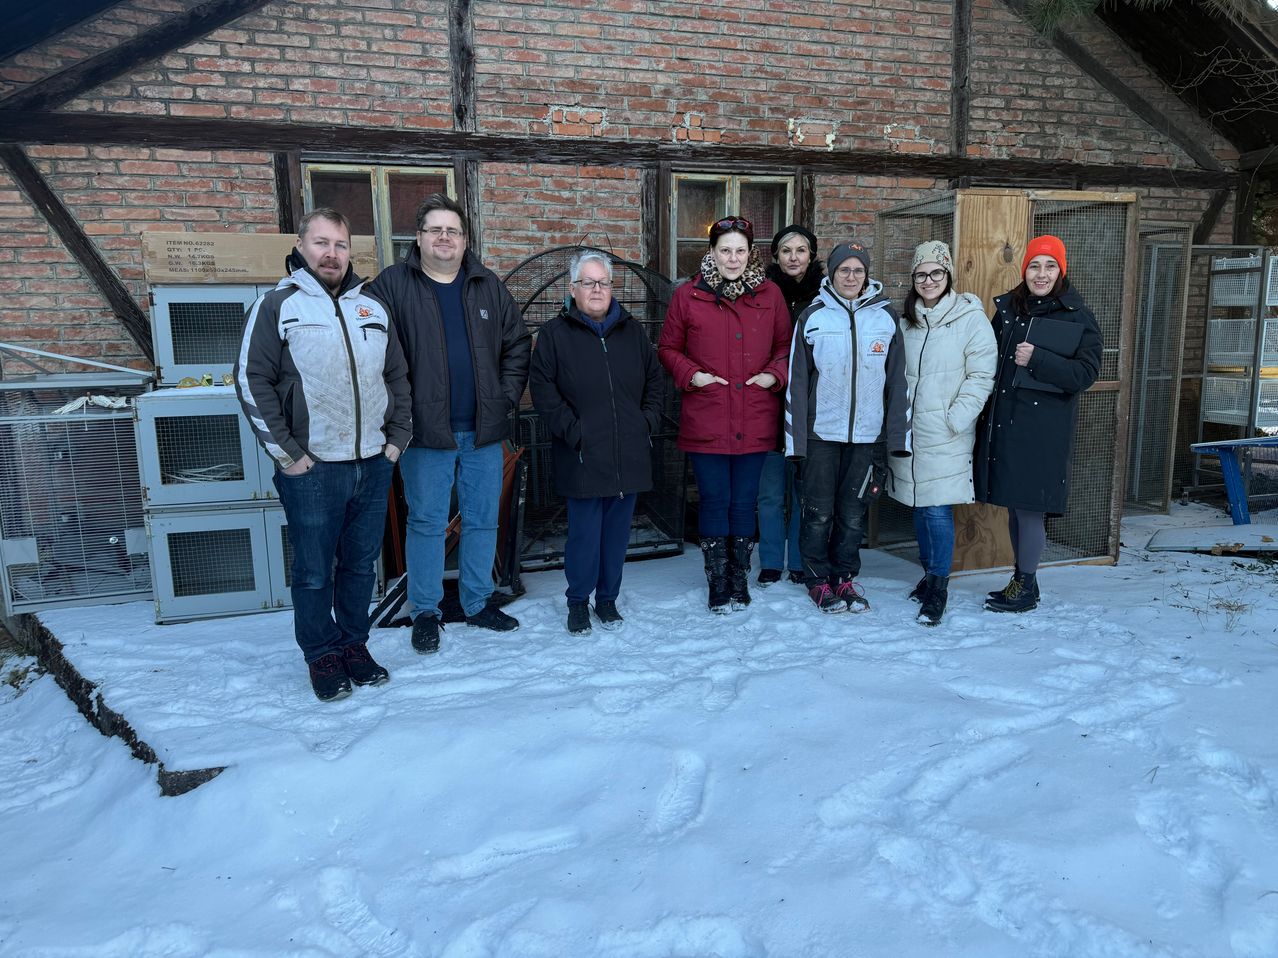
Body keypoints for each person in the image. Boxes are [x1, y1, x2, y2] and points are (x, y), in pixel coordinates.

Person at [235, 208, 411, 702]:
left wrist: (397, 439)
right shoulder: (277, 306)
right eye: (321, 243)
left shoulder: (372, 309)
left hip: (373, 463)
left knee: (360, 565)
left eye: (340, 244)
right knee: (314, 571)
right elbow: (250, 379)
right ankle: (321, 654)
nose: (331, 254)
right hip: (311, 468)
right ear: (300, 246)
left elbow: (397, 376)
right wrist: (288, 455)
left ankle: (353, 644)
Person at [365, 194, 531, 652]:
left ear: (465, 240)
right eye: (434, 229)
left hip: (482, 431)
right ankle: (425, 611)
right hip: (423, 432)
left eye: (452, 231)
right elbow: (368, 352)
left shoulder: (487, 285)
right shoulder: (392, 286)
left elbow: (517, 344)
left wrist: (503, 398)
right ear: (418, 238)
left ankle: (478, 602)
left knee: (482, 520)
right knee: (426, 522)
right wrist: (396, 412)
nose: (444, 237)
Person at [658, 215, 791, 614]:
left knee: (744, 502)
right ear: (712, 253)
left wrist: (774, 374)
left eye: (740, 250)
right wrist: (692, 374)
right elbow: (668, 348)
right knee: (715, 500)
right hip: (708, 415)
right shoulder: (689, 296)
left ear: (751, 254)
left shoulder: (770, 294)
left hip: (755, 414)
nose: (733, 258)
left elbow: (786, 346)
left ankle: (738, 577)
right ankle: (718, 580)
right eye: (725, 250)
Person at [529, 251, 664, 635]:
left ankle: (607, 599)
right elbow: (543, 391)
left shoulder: (632, 332)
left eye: (603, 282)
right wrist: (576, 432)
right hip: (583, 454)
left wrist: (646, 422)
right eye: (588, 282)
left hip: (628, 453)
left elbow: (655, 382)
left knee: (616, 537)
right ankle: (578, 601)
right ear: (573, 288)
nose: (597, 289)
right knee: (584, 537)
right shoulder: (555, 335)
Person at [974, 235, 1102, 613]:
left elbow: (1086, 373)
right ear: (1024, 269)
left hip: (1042, 429)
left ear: (1062, 270)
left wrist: (1039, 359)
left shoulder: (1076, 315)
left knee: (1029, 508)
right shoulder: (1011, 308)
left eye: (1050, 266)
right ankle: (1022, 579)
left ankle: (1026, 586)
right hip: (1005, 423)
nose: (1041, 274)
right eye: (1034, 265)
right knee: (1015, 506)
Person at [786, 241, 911, 614]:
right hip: (821, 435)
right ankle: (817, 580)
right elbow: (796, 383)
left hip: (866, 438)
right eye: (844, 270)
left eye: (858, 270)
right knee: (818, 513)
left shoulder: (885, 318)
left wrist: (897, 438)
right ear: (832, 273)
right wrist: (795, 443)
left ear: (866, 275)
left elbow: (898, 382)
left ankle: (844, 577)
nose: (851, 277)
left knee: (853, 514)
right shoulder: (813, 316)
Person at [886, 240, 996, 626]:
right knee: (918, 503)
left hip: (945, 432)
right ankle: (928, 574)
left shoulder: (970, 319)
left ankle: (939, 586)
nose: (928, 280)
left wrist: (955, 418)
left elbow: (982, 375)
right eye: (921, 274)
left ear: (948, 275)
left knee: (936, 509)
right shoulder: (906, 321)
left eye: (936, 273)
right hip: (909, 431)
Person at [756, 224, 824, 588]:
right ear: (776, 256)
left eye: (800, 250)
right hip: (768, 403)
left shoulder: (825, 296)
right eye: (786, 250)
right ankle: (770, 560)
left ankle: (799, 558)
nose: (793, 257)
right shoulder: (763, 293)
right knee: (769, 490)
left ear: (811, 255)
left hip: (811, 406)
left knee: (803, 490)